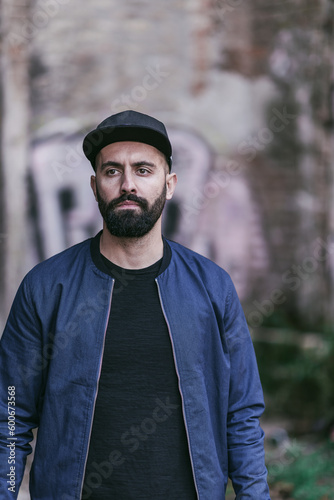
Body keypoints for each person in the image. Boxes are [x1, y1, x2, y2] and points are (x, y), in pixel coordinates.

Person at [0, 110, 271, 499]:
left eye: (143, 170)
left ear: (170, 183)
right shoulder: (45, 287)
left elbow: (241, 412)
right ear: (95, 186)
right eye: (112, 171)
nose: (127, 184)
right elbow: (9, 417)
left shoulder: (212, 287)